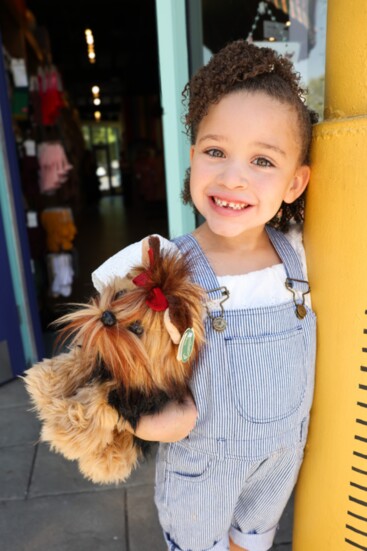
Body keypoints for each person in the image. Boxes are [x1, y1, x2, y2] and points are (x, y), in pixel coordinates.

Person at [92, 40, 318, 551]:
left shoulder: (300, 255)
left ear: (294, 182)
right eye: (215, 151)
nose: (233, 177)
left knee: (253, 543)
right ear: (193, 157)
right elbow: (103, 344)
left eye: (263, 160)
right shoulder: (159, 261)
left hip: (279, 462)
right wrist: (144, 415)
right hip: (201, 465)